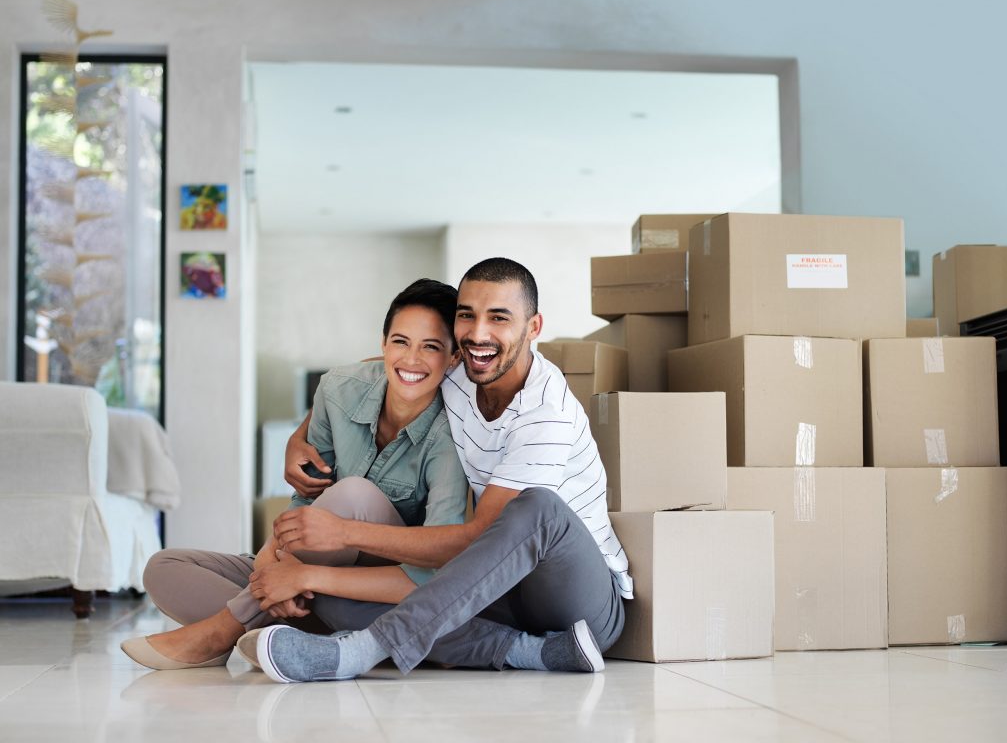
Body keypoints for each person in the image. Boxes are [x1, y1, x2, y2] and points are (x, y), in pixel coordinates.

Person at [256, 257, 632, 682]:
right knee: (336, 597)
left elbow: (479, 536)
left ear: (533, 328)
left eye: (499, 318)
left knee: (535, 508)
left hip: (577, 602)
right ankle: (533, 652)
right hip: (505, 592)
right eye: (466, 316)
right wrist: (299, 434)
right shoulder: (462, 370)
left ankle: (366, 650)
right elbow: (393, 362)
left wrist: (340, 536)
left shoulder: (546, 415)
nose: (478, 333)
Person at [120, 279, 468, 670]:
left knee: (354, 495)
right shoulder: (338, 389)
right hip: (319, 575)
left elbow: (434, 570)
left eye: (431, 347)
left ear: (453, 358)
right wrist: (273, 567)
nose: (412, 359)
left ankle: (226, 628)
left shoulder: (454, 431)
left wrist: (305, 577)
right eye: (401, 342)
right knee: (164, 568)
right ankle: (294, 633)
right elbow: (306, 498)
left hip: (380, 585)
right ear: (383, 344)